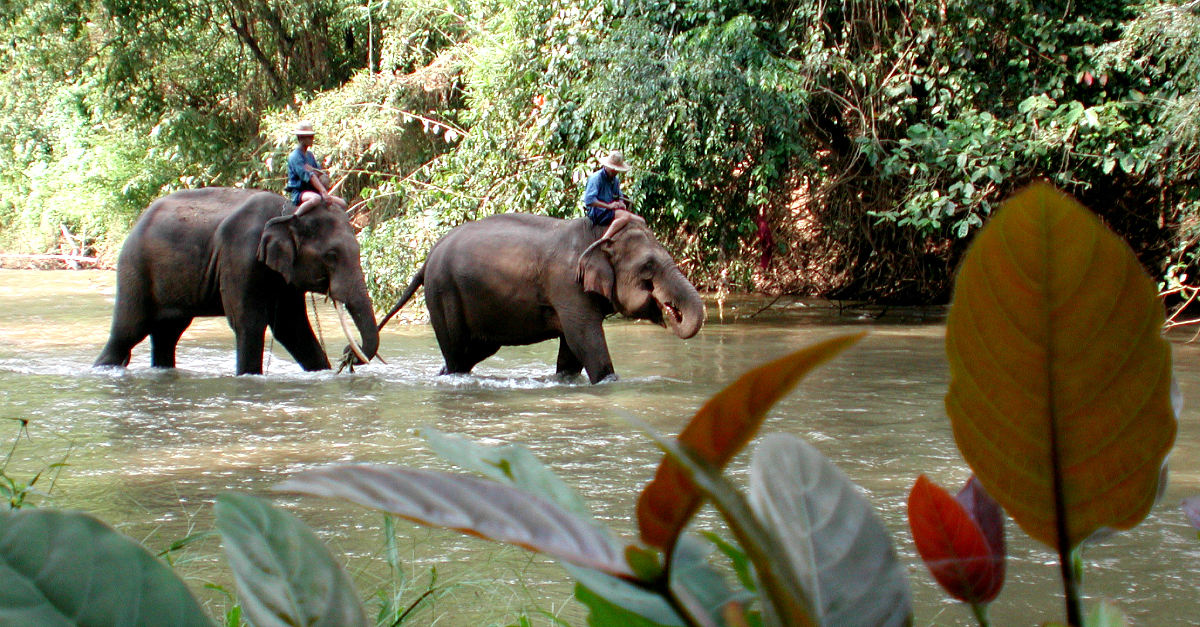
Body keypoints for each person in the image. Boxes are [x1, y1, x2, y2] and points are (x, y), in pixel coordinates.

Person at [285, 121, 347, 216]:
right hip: (300, 192)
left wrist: (315, 172)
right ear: (301, 138)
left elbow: (319, 173)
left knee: (342, 203)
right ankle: (294, 217)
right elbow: (309, 176)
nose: (312, 139)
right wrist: (323, 191)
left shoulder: (310, 155)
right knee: (315, 199)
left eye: (312, 136)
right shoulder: (295, 156)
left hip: (314, 190)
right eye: (309, 137)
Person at [582, 150, 644, 240]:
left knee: (641, 221)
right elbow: (589, 200)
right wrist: (608, 206)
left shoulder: (615, 180)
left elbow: (619, 195)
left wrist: (621, 202)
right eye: (613, 168)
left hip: (611, 211)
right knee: (625, 217)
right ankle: (604, 239)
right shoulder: (596, 178)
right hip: (599, 212)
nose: (615, 171)